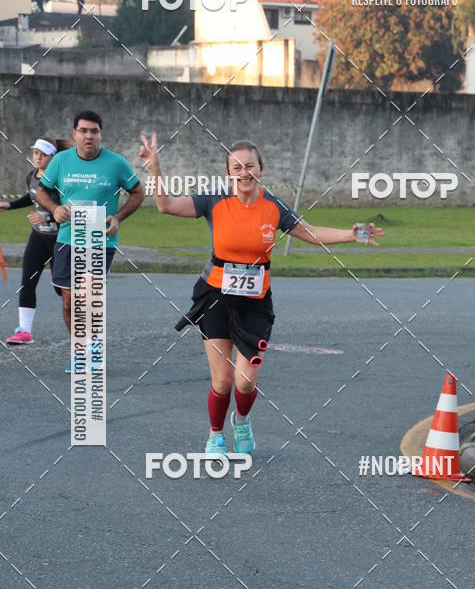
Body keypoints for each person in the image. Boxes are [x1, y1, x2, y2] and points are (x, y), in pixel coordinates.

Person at [139, 132, 383, 456]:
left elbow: (310, 233)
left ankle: (241, 420)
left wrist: (354, 235)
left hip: (255, 303)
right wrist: (155, 168)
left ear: (261, 168)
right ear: (228, 173)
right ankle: (215, 435)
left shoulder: (274, 206)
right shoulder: (214, 200)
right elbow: (165, 205)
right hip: (215, 297)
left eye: (249, 166)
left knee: (244, 381)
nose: (243, 173)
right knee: (223, 381)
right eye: (236, 167)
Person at [36, 111, 144, 372]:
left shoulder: (115, 163)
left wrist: (118, 218)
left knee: (87, 298)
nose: (88, 136)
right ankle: (81, 349)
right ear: (74, 134)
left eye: (94, 131)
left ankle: (91, 349)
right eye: (83, 131)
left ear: (100, 134)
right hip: (67, 239)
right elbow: (42, 192)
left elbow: (138, 192)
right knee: (69, 301)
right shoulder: (61, 161)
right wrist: (54, 209)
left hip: (100, 241)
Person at [1, 136, 73, 344]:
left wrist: (48, 216)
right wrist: (10, 205)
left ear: (53, 157)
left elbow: (68, 208)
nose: (38, 157)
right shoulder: (31, 175)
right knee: (27, 282)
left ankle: (84, 318)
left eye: (43, 154)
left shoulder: (60, 180)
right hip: (38, 237)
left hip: (60, 239)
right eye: (35, 153)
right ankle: (24, 332)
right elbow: (31, 196)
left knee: (61, 289)